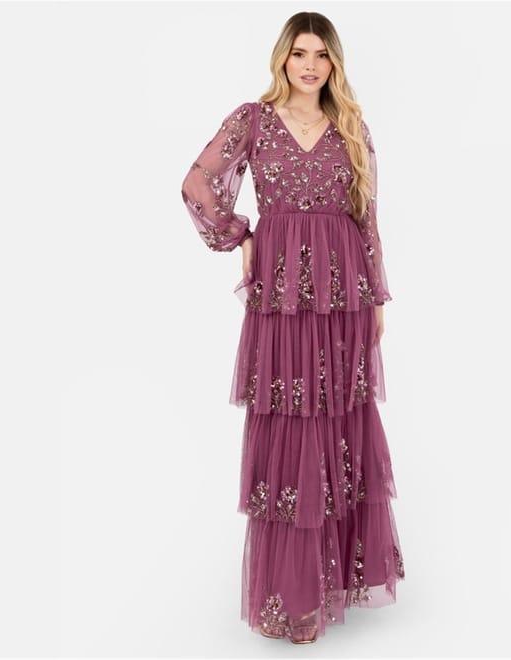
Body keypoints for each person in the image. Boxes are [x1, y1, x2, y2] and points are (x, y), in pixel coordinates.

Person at [181, 11, 405, 644]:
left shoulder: (351, 124)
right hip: (281, 301)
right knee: (290, 424)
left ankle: (332, 582)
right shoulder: (252, 120)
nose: (310, 65)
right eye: (300, 53)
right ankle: (293, 595)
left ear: (334, 63)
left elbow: (367, 216)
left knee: (338, 420)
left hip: (343, 295)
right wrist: (242, 237)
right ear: (282, 57)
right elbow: (197, 185)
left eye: (321, 55)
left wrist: (376, 295)